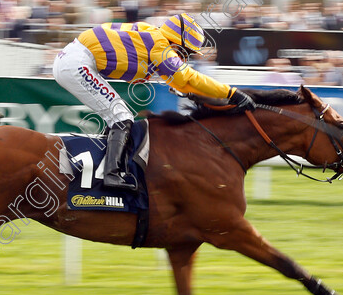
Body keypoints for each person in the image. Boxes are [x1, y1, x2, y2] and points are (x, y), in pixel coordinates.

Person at [52, 13, 256, 190]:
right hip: (77, 63)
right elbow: (189, 78)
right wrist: (231, 93)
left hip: (75, 59)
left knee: (118, 117)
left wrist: (187, 89)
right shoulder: (161, 47)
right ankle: (111, 175)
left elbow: (180, 81)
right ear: (176, 43)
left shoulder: (155, 36)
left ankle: (104, 169)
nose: (185, 58)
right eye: (186, 52)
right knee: (121, 116)